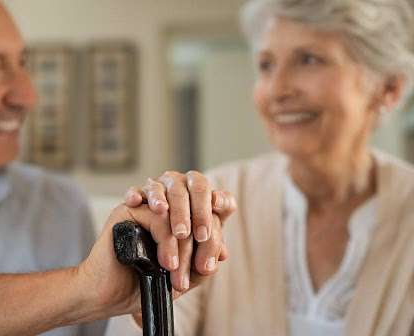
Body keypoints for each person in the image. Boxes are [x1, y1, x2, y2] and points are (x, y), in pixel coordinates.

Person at [0, 0, 236, 335]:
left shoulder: (59, 202)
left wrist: (156, 269)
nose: (27, 96)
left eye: (22, 64)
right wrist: (84, 289)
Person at [108, 0, 414, 335]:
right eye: (266, 65)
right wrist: (150, 270)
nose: (278, 89)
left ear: (389, 88)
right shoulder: (210, 204)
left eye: (309, 60)